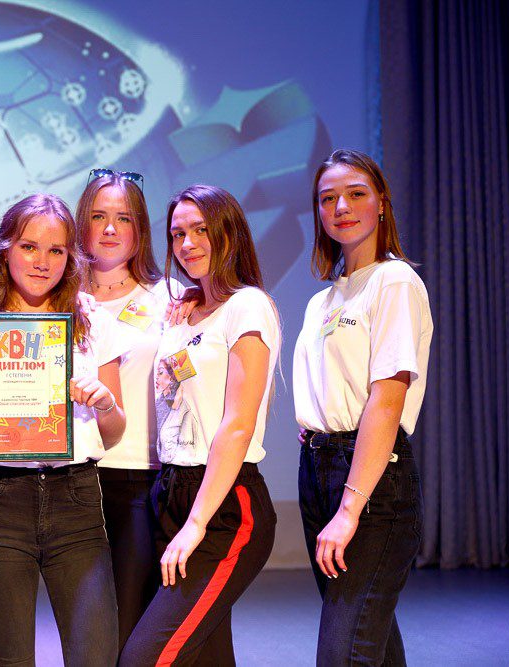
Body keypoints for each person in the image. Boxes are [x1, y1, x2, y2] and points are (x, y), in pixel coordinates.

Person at [0, 193, 127, 667]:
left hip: (76, 500)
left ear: (71, 256)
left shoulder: (91, 320)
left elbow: (113, 431)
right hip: (2, 501)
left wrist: (105, 402)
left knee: (95, 657)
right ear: (5, 249)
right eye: (29, 247)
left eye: (56, 250)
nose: (43, 262)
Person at [121, 185, 279, 667]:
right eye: (177, 234)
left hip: (224, 503)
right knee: (205, 655)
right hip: (171, 489)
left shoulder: (248, 305)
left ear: (228, 232)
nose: (187, 244)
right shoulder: (185, 312)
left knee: (146, 658)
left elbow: (237, 424)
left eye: (201, 230)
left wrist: (196, 523)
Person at [293, 149, 432, 666]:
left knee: (343, 652)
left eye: (356, 194)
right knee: (368, 640)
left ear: (382, 204)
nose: (341, 207)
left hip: (372, 478)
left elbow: (387, 401)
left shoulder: (394, 281)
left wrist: (350, 508)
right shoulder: (322, 301)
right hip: (318, 469)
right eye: (327, 198)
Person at [73, 170, 182, 652]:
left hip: (139, 476)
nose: (110, 228)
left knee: (130, 621)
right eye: (99, 216)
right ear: (81, 223)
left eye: (124, 218)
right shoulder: (58, 298)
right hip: (71, 476)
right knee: (84, 625)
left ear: (141, 229)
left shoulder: (170, 299)